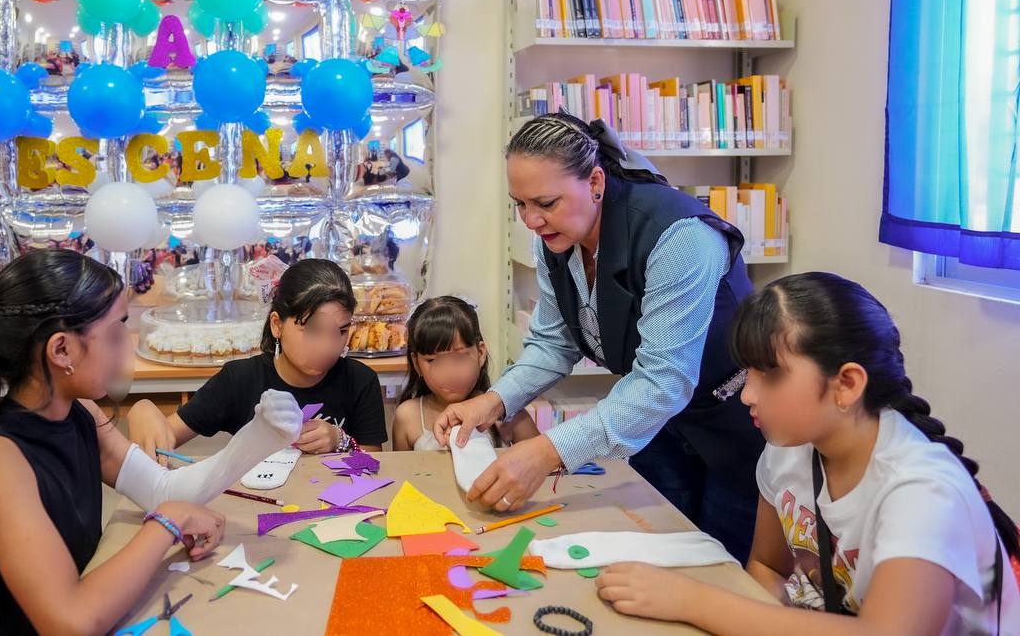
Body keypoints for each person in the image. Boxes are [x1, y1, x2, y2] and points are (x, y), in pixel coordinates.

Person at [0, 249, 303, 635]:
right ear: (62, 349)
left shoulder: (79, 411)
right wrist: (168, 523)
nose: (126, 344)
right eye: (114, 333)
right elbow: (70, 621)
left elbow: (162, 490)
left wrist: (257, 439)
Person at [594, 273, 1020, 635]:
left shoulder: (922, 492)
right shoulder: (787, 451)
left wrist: (693, 601)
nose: (748, 396)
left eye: (770, 377)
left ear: (847, 384)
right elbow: (768, 567)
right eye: (747, 374)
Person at [435, 113, 764, 562]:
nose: (531, 220)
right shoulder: (555, 238)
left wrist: (548, 451)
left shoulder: (680, 238)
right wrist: (493, 402)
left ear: (594, 182)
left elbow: (663, 382)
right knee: (657, 553)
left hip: (736, 426)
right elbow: (554, 344)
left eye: (545, 203)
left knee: (721, 564)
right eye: (520, 204)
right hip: (657, 426)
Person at [128, 258, 387, 458]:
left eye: (341, 331)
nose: (328, 347)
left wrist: (341, 440)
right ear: (277, 325)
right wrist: (143, 411)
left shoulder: (360, 381)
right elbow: (163, 437)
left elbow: (374, 463)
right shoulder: (239, 380)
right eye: (312, 330)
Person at [392, 296, 540, 451]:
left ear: (480, 354)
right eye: (434, 360)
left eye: (460, 357)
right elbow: (398, 467)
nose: (450, 373)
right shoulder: (407, 416)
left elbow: (543, 460)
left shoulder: (504, 409)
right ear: (417, 363)